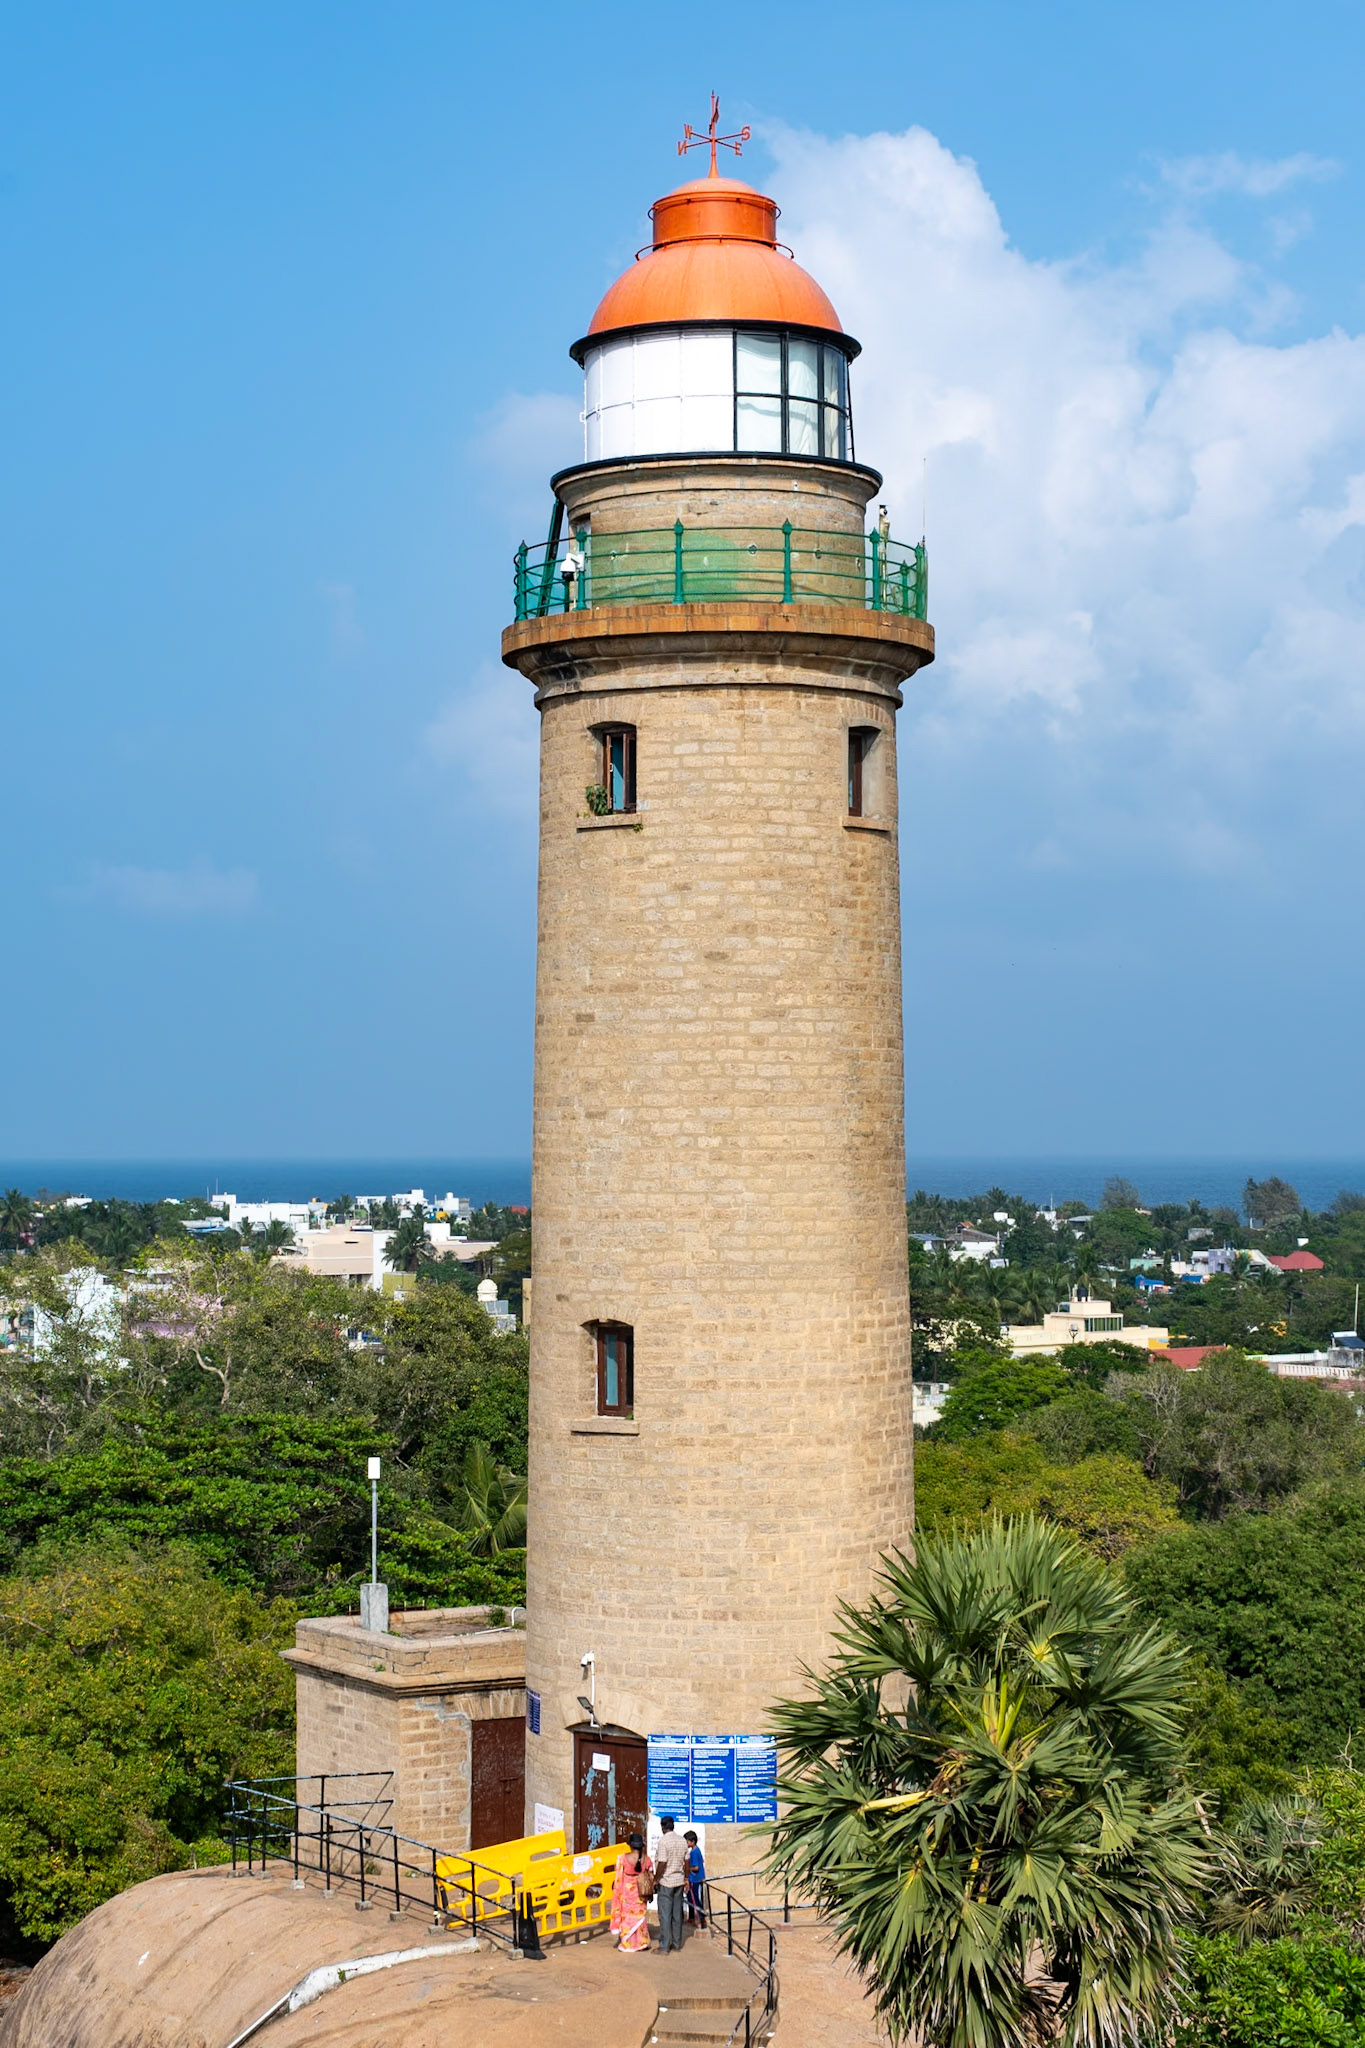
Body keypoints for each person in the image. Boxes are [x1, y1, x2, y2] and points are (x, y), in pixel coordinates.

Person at [610, 1834, 654, 1953]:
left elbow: (617, 1875)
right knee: (639, 1917)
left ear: (630, 1846)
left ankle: (628, 1943)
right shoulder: (647, 1859)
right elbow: (651, 1875)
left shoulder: (623, 1858)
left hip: (626, 1892)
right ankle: (641, 1942)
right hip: (640, 1892)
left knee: (627, 1917)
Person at [653, 1815, 688, 1952]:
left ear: (663, 1827)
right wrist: (686, 1878)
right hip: (678, 1881)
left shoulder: (663, 1842)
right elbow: (687, 1862)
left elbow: (662, 1862)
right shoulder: (682, 1841)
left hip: (666, 1881)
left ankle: (664, 1946)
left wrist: (656, 1878)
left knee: (665, 1915)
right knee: (677, 1914)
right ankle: (677, 1943)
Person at [683, 1830, 706, 1929]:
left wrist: (687, 1868)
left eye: (687, 1841)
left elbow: (696, 1867)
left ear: (692, 1841)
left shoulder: (694, 1853)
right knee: (690, 1898)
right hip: (695, 1878)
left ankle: (700, 1919)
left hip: (695, 1879)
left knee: (694, 1899)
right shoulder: (695, 1851)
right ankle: (692, 1917)